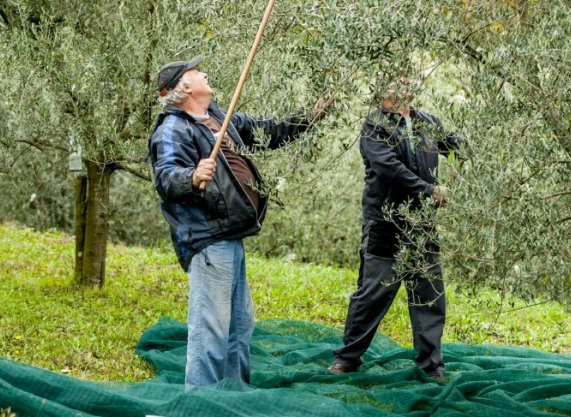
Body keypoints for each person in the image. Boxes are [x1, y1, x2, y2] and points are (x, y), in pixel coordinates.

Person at [148, 55, 332, 389]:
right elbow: (165, 177)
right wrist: (191, 176)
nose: (204, 71)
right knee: (212, 327)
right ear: (185, 86)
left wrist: (308, 119)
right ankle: (201, 403)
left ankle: (234, 394)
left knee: (238, 325)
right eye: (196, 71)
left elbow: (266, 132)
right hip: (208, 239)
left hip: (230, 234)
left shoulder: (217, 116)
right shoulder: (173, 129)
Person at [328, 76, 463, 381]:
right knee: (373, 293)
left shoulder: (427, 122)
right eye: (397, 78)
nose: (406, 82)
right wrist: (430, 191)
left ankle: (431, 367)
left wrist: (457, 174)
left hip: (422, 224)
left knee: (429, 295)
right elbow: (389, 168)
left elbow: (457, 147)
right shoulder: (376, 126)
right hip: (385, 222)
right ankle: (347, 358)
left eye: (408, 76)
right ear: (385, 88)